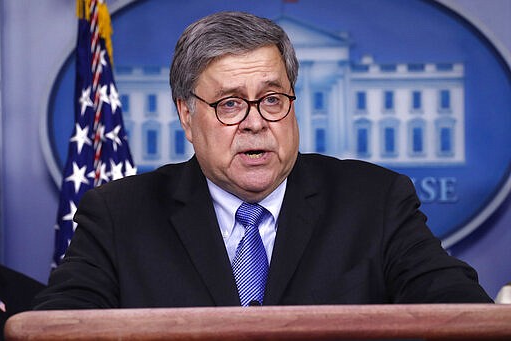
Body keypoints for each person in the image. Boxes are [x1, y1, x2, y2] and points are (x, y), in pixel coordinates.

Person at [33, 11, 492, 310]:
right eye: (230, 104)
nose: (256, 123)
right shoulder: (120, 214)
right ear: (187, 116)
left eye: (272, 99)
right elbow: (60, 321)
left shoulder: (374, 201)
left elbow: (456, 304)